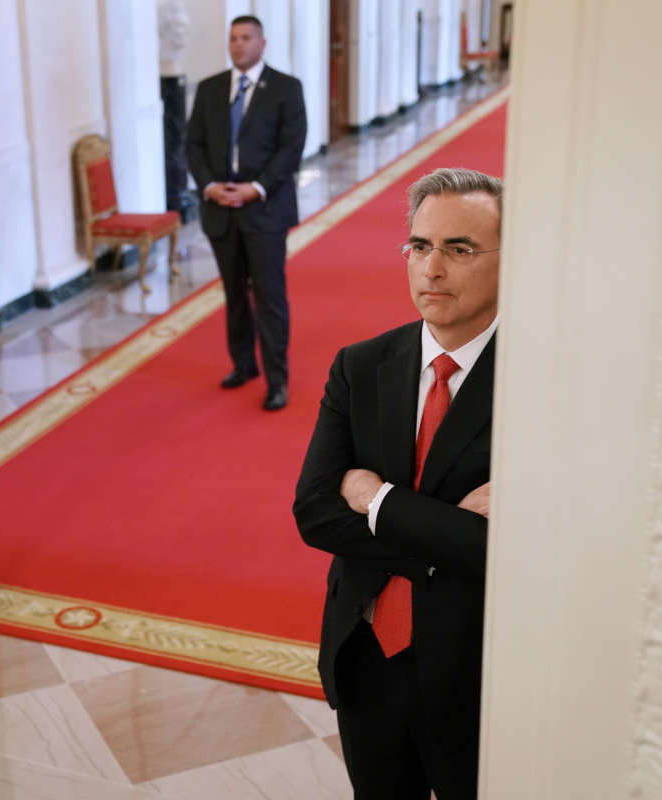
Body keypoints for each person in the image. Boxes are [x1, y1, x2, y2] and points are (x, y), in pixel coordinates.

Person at [293, 168, 501, 799]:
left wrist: (376, 499)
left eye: (459, 249)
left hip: (477, 673)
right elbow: (315, 514)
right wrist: (448, 532)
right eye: (420, 246)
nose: (431, 269)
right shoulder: (361, 366)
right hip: (366, 656)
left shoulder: (539, 382)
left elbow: (504, 550)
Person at [186, 14, 306, 411]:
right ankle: (243, 365)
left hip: (266, 211)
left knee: (269, 296)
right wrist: (210, 186)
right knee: (234, 294)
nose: (238, 45)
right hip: (221, 210)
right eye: (233, 39)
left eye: (246, 38)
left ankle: (277, 380)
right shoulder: (209, 90)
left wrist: (254, 189)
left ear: (262, 43)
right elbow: (194, 146)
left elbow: (291, 149)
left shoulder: (286, 89)